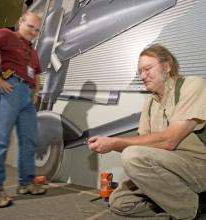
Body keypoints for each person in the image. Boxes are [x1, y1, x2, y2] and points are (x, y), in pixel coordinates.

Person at [87, 44, 206, 220]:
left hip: (197, 167)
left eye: (147, 69)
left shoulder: (193, 85)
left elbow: (169, 141)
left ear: (167, 66)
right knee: (119, 202)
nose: (142, 76)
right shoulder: (150, 104)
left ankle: (192, 211)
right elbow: (142, 144)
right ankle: (184, 203)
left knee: (133, 156)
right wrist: (107, 143)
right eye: (140, 71)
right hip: (169, 170)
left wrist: (115, 142)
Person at [0, 12, 46, 208]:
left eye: (37, 30)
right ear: (20, 22)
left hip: (27, 96)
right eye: (30, 27)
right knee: (2, 140)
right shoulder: (6, 35)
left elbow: (36, 73)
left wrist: (35, 93)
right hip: (11, 88)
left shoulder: (33, 52)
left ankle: (26, 183)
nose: (33, 32)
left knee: (29, 141)